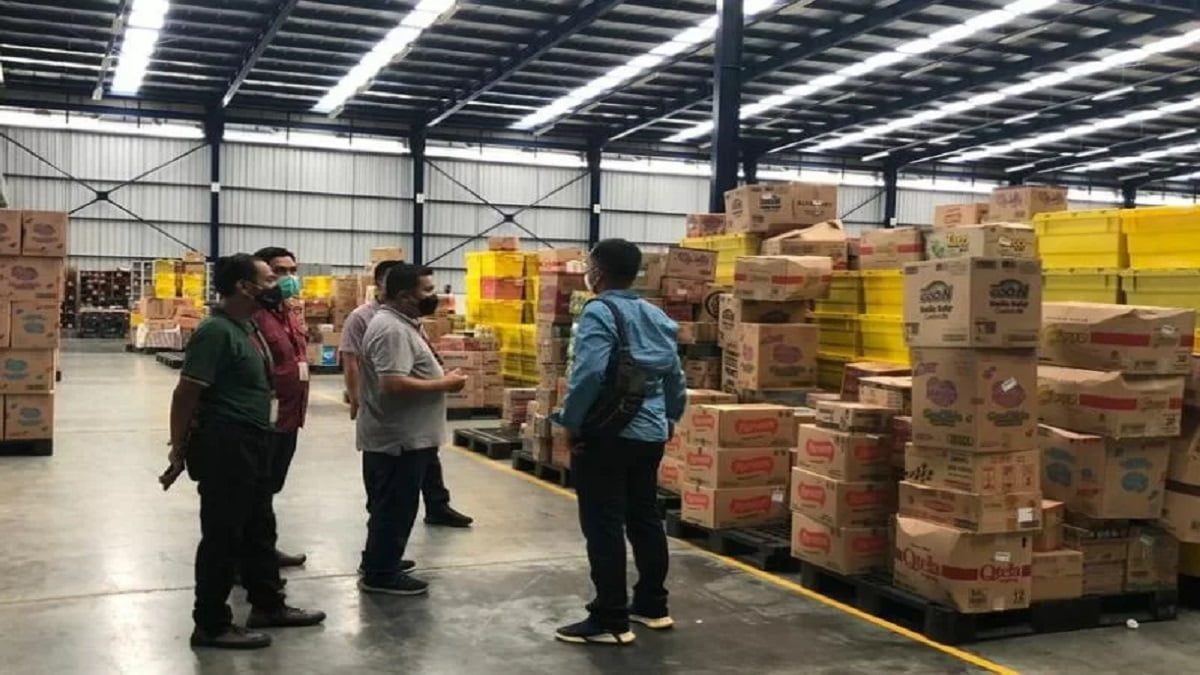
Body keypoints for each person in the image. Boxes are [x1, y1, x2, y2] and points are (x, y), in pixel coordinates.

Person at [164, 254, 325, 650]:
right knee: (223, 535)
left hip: (255, 438)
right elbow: (186, 393)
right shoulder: (216, 332)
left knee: (259, 527)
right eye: (270, 279)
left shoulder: (248, 325)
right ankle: (211, 623)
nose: (279, 285)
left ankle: (267, 604)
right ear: (243, 286)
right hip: (226, 443)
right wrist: (178, 447)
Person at [553, 239, 686, 646]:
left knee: (603, 523)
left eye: (588, 266)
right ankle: (652, 605)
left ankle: (610, 617)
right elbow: (675, 377)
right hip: (650, 433)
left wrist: (571, 422)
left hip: (608, 435)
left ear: (598, 272)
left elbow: (589, 374)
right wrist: (670, 417)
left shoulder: (600, 311)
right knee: (644, 517)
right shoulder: (655, 314)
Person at [356, 263, 470, 595]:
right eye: (428, 291)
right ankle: (381, 574)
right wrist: (444, 384)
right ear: (406, 296)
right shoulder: (392, 330)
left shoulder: (402, 324)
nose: (435, 296)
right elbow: (392, 383)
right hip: (398, 440)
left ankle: (380, 559)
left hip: (405, 436)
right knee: (395, 507)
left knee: (391, 506)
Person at [251, 246, 309, 569]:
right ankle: (246, 560)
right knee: (254, 492)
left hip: (289, 416)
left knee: (269, 488)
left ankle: (263, 550)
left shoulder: (289, 312)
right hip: (264, 420)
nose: (289, 278)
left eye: (292, 271)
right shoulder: (254, 317)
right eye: (279, 272)